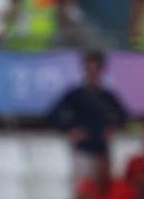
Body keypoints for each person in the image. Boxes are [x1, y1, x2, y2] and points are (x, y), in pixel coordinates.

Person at [49, 50, 129, 179]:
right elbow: (53, 115)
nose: (92, 73)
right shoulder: (75, 94)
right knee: (83, 189)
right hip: (82, 150)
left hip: (102, 150)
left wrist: (112, 129)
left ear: (101, 71)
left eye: (95, 69)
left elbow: (123, 116)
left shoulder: (107, 95)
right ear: (84, 69)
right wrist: (70, 129)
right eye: (89, 69)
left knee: (103, 190)